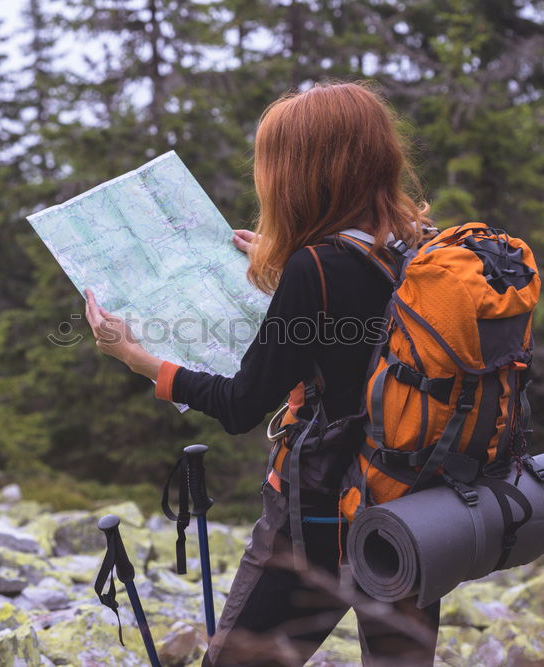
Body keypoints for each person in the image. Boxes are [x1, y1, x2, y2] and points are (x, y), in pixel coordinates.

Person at [84, 81, 441, 666]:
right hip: (416, 510)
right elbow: (359, 343)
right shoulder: (420, 245)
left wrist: (137, 356)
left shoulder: (316, 266)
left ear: (302, 172)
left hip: (319, 522)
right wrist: (282, 276)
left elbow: (241, 406)